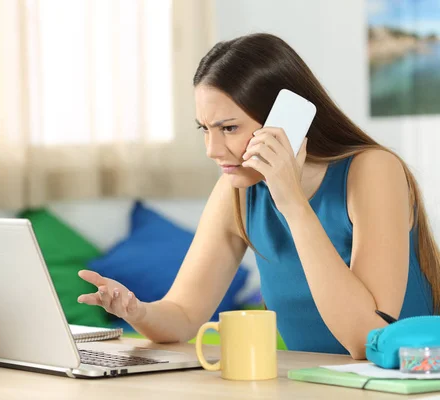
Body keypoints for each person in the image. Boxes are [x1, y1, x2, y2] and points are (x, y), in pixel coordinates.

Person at [77, 33, 438, 359]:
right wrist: (136, 311)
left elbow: (367, 340)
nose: (212, 149)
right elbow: (184, 316)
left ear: (286, 121)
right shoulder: (238, 191)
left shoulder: (374, 170)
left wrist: (293, 203)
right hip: (310, 386)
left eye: (229, 128)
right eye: (205, 129)